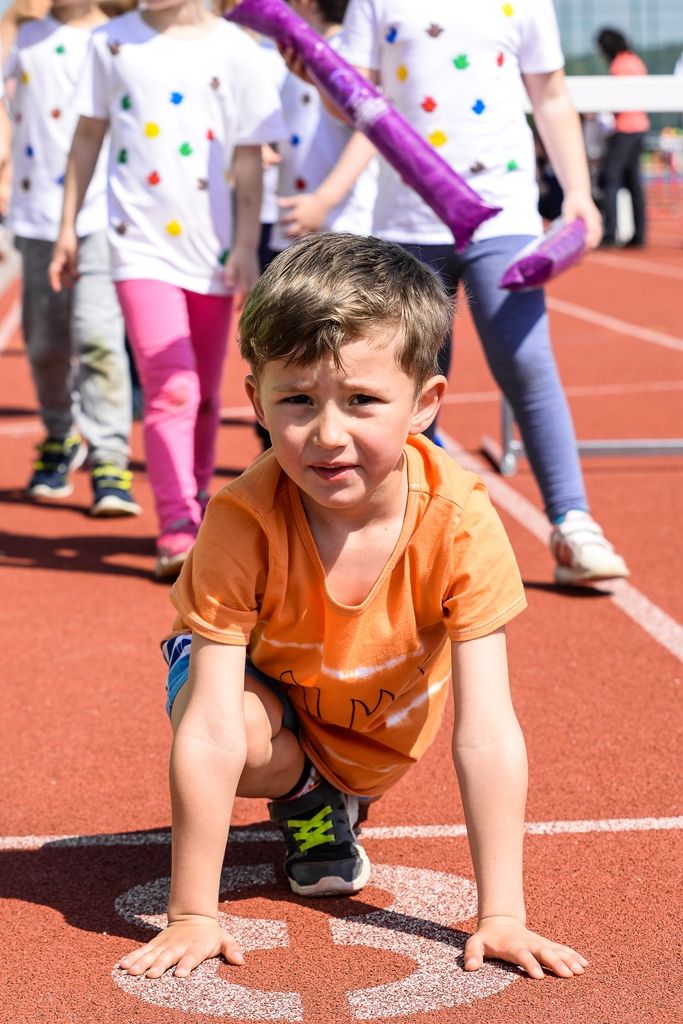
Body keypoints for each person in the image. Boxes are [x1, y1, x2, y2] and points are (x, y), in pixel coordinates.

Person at [116, 233, 589, 983]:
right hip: (259, 695)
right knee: (233, 724)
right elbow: (209, 728)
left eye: (362, 401)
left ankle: (332, 787)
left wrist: (501, 914)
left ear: (424, 404)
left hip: (364, 723)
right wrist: (192, 916)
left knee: (337, 758)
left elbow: (488, 726)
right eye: (297, 400)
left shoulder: (459, 518)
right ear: (256, 403)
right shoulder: (241, 519)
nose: (327, 435)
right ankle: (304, 793)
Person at [283, 0, 629, 586]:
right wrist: (314, 77)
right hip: (406, 223)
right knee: (405, 381)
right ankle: (421, 529)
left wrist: (578, 192)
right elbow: (359, 108)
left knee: (524, 359)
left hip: (504, 214)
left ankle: (573, 520)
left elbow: (550, 96)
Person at [49, 0, 286, 578]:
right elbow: (86, 138)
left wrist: (250, 244)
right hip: (137, 247)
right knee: (172, 387)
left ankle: (198, 505)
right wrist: (67, 229)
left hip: (215, 252)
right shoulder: (112, 42)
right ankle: (177, 524)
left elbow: (249, 159)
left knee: (204, 393)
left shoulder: (241, 50)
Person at [5, 0, 140, 514]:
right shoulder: (27, 33)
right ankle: (60, 436)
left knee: (98, 335)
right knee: (44, 343)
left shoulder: (118, 35)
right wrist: (13, 20)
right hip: (36, 214)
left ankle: (110, 457)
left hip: (101, 215)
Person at [595, 28, 649, 249]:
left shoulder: (619, 65)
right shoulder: (635, 60)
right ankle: (639, 233)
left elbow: (617, 100)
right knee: (634, 181)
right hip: (640, 126)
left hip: (625, 127)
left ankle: (610, 232)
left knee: (610, 179)